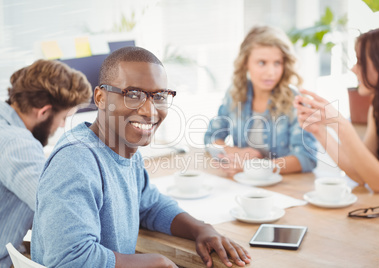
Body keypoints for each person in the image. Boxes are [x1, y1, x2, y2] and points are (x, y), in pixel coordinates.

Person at [31, 47, 251, 268]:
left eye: (159, 96)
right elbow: (69, 259)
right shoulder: (75, 160)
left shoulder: (124, 147)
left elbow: (150, 205)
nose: (150, 110)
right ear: (100, 97)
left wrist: (201, 229)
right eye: (133, 95)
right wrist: (158, 262)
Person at [0, 59, 92, 268]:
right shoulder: (18, 144)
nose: (61, 127)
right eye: (63, 118)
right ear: (43, 112)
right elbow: (57, 210)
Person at [294, 27, 379, 193]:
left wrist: (340, 124)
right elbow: (361, 174)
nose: (353, 69)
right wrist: (320, 131)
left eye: (360, 62)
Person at [204, 25, 317, 177]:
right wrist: (237, 153)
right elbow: (211, 137)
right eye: (262, 63)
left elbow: (306, 158)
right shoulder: (235, 93)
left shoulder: (296, 102)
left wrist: (253, 166)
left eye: (277, 63)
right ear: (246, 63)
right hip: (242, 183)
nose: (271, 72)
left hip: (284, 185)